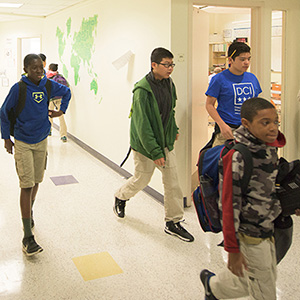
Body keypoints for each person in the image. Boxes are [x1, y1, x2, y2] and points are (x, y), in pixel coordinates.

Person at [200, 97, 286, 299]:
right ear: (246, 124)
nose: (273, 127)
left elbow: (266, 188)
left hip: (267, 227)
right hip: (249, 233)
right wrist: (232, 248)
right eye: (265, 123)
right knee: (265, 291)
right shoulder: (239, 156)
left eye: (276, 121)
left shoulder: (268, 148)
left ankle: (213, 286)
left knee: (251, 280)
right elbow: (229, 205)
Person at [114, 47, 194, 242]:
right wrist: (155, 151)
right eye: (166, 65)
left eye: (172, 64)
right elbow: (143, 125)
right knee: (142, 179)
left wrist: (173, 129)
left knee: (173, 182)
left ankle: (172, 222)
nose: (170, 69)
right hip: (145, 144)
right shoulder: (142, 90)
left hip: (164, 142)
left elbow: (171, 109)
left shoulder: (168, 83)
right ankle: (121, 196)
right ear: (154, 65)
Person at [0, 54, 71, 256]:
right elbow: (3, 113)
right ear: (25, 69)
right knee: (26, 184)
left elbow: (66, 92)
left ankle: (28, 212)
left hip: (41, 140)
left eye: (41, 67)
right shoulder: (18, 88)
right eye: (34, 68)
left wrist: (61, 111)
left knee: (37, 180)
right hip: (23, 141)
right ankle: (27, 236)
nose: (39, 71)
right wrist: (6, 138)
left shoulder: (48, 85)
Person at [206, 42, 262, 147]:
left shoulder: (252, 78)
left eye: (249, 59)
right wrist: (222, 125)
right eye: (242, 59)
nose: (247, 63)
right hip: (227, 129)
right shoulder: (219, 79)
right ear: (230, 60)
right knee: (221, 161)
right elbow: (209, 105)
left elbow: (255, 104)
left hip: (249, 129)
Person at [47, 63, 70, 142]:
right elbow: (67, 87)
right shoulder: (60, 77)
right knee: (61, 116)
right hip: (60, 98)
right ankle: (63, 135)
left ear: (49, 68)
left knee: (49, 114)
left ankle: (49, 130)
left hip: (51, 99)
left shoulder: (48, 76)